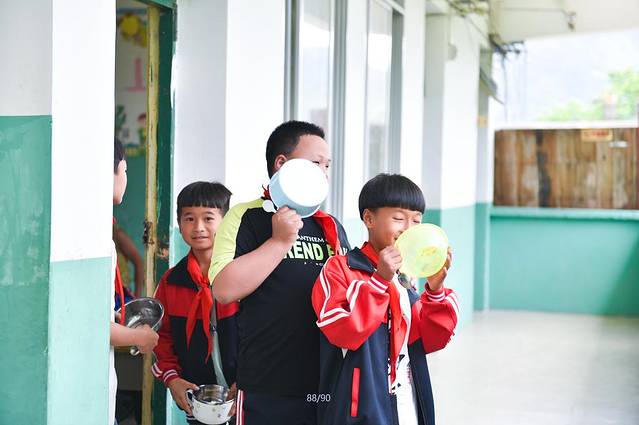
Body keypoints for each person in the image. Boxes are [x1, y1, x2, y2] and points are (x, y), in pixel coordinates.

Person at [210, 121, 350, 425]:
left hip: (324, 386)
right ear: (282, 164)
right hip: (265, 386)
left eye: (327, 165)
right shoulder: (246, 217)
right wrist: (279, 242)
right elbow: (223, 289)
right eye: (315, 163)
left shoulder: (330, 227)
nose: (323, 173)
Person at [311, 173, 459, 425]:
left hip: (407, 402)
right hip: (359, 409)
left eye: (416, 220)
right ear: (369, 218)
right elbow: (343, 332)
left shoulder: (406, 276)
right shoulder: (339, 268)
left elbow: (430, 341)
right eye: (399, 218)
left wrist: (435, 291)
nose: (408, 229)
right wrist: (379, 280)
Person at [152, 181, 238, 424]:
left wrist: (249, 379)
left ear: (225, 222)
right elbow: (161, 337)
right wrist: (172, 379)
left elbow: (263, 334)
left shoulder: (241, 275)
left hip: (246, 395)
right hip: (199, 402)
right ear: (179, 224)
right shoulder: (171, 282)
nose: (198, 227)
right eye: (189, 218)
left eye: (208, 218)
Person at [110, 138, 159, 425]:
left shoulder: (109, 228)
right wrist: (137, 337)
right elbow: (88, 323)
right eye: (125, 170)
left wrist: (129, 305)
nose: (125, 178)